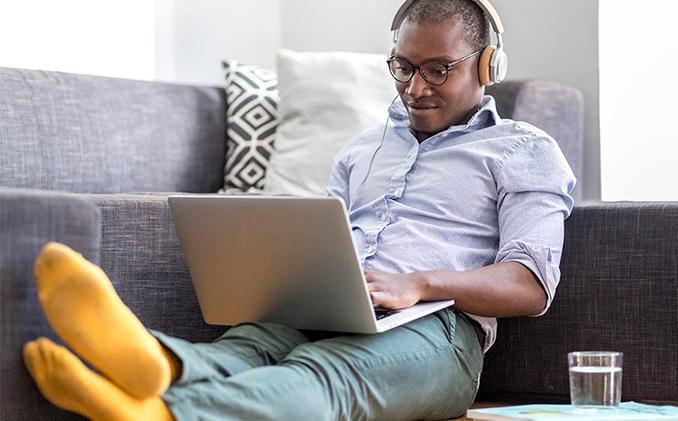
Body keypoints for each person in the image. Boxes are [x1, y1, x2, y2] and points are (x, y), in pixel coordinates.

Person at [22, 0, 576, 419]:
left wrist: (419, 283)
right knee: (249, 344)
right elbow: (323, 238)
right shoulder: (363, 149)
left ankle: (162, 411)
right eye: (403, 68)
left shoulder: (523, 150)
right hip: (327, 310)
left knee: (325, 374)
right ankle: (156, 363)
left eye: (438, 69)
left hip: (436, 332)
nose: (415, 88)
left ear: (486, 65)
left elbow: (529, 286)